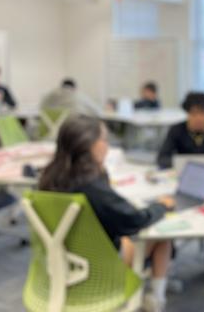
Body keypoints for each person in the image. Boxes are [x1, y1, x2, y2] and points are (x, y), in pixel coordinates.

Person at [39, 116, 174, 311]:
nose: (108, 146)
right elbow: (134, 220)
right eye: (105, 140)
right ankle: (156, 299)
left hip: (61, 262)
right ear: (90, 145)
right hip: (98, 269)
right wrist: (161, 206)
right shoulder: (92, 186)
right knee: (161, 237)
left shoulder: (49, 176)